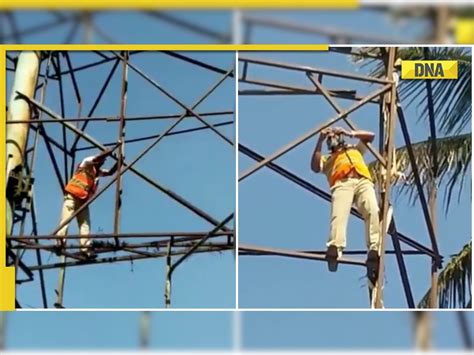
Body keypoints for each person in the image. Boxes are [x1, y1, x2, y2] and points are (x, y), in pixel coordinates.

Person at [310, 127, 380, 277]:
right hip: (342, 183)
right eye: (330, 139)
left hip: (362, 181)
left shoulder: (355, 149)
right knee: (339, 215)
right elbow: (315, 167)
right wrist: (320, 141)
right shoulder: (328, 159)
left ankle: (374, 248)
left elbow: (371, 136)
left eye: (334, 136)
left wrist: (349, 133)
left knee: (372, 210)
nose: (332, 139)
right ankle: (335, 247)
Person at [55, 147, 119, 258]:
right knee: (65, 219)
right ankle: (60, 242)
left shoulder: (97, 173)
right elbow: (98, 157)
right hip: (72, 196)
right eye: (101, 161)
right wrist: (111, 150)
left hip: (83, 201)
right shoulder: (86, 162)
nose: (101, 163)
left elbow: (110, 172)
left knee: (85, 224)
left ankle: (85, 248)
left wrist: (120, 162)